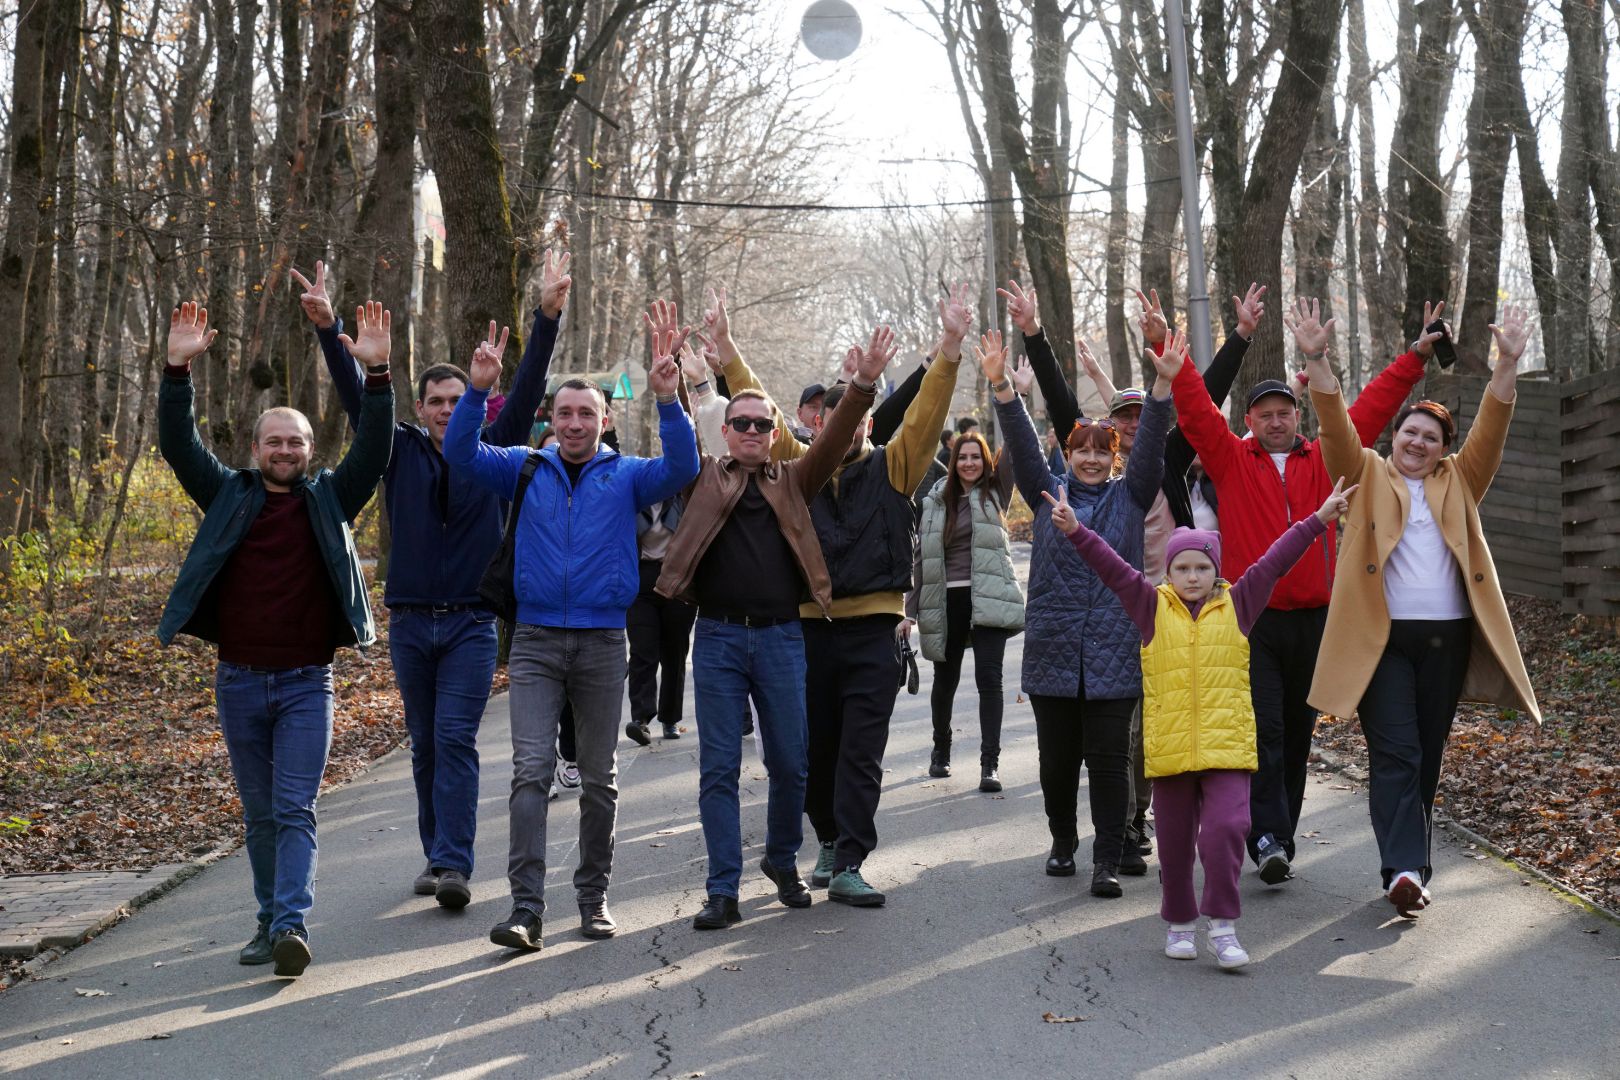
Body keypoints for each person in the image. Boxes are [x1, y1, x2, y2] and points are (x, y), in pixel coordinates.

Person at [297, 252, 567, 910]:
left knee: (453, 737)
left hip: (473, 621)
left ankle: (453, 863)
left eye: (457, 400)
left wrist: (548, 318)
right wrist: (330, 333)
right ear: (419, 407)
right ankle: (434, 851)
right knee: (422, 743)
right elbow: (362, 406)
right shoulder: (397, 449)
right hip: (413, 620)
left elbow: (529, 389)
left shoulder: (493, 443)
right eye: (438, 401)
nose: (448, 410)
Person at [443, 307, 699, 952]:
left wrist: (670, 399)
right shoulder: (525, 467)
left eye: (587, 414)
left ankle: (593, 899)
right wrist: (476, 391)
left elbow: (684, 467)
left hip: (603, 642)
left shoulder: (627, 475)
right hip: (533, 641)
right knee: (530, 772)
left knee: (598, 778)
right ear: (550, 422)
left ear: (604, 420)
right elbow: (460, 453)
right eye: (565, 414)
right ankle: (526, 909)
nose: (576, 423)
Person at [157, 301, 394, 977]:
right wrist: (177, 369)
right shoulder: (228, 494)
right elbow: (178, 445)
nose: (284, 451)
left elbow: (375, 452)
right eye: (273, 441)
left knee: (294, 808)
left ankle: (291, 923)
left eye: (296, 442)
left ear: (310, 452)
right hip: (237, 681)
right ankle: (268, 923)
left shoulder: (329, 500)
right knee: (259, 816)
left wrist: (377, 374)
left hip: (303, 685)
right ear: (255, 449)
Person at [713, 284, 967, 907]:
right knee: (810, 754)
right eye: (822, 419)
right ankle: (825, 839)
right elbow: (760, 412)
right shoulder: (796, 471)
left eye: (847, 417)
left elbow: (928, 415)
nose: (836, 428)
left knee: (861, 753)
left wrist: (950, 349)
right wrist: (726, 355)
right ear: (814, 426)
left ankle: (851, 858)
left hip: (873, 632)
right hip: (804, 634)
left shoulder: (896, 465)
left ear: (865, 421)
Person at [1003, 282, 1269, 866]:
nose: (1107, 443)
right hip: (1077, 629)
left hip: (1157, 612)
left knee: (1134, 742)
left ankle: (1123, 833)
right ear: (1075, 451)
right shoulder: (1056, 492)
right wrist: (1031, 337)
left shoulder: (1153, 466)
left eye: (1126, 427)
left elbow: (1194, 404)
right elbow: (1051, 403)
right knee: (1078, 752)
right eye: (1097, 437)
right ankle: (1086, 838)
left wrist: (1222, 348)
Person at [1170, 293, 1429, 885]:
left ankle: (1279, 836)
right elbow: (1194, 412)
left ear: (1298, 415)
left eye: (1285, 411)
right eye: (1265, 413)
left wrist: (1413, 357)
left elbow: (1372, 406)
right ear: (1250, 422)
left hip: (1317, 619)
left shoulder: (1327, 460)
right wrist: (1173, 354)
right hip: (1252, 619)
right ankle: (1265, 837)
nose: (1277, 420)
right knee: (1262, 728)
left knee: (1295, 731)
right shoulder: (1231, 461)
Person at [1046, 478, 1355, 967]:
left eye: (1202, 567)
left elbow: (1275, 560)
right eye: (1182, 568)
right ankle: (1180, 924)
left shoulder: (1240, 603)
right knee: (1172, 846)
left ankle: (1224, 926)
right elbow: (1113, 569)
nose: (1192, 576)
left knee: (1228, 828)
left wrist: (1318, 520)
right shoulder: (1149, 607)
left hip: (1227, 745)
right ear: (1169, 572)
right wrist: (1076, 530)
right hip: (1171, 751)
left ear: (1217, 570)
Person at [1301, 301, 1540, 916]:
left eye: (1430, 437)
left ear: (1442, 450)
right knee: (1398, 752)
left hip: (1448, 639)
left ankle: (1412, 867)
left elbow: (1492, 429)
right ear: (1395, 437)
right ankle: (1402, 869)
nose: (1418, 442)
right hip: (1381, 642)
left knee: (1426, 754)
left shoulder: (1461, 480)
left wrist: (1506, 366)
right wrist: (1316, 360)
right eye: (1410, 432)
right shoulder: (1365, 473)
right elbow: (1333, 425)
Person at [655, 320, 895, 929]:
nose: (755, 432)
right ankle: (721, 890)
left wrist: (863, 383)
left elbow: (837, 437)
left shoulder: (795, 479)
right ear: (727, 431)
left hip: (785, 637)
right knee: (719, 769)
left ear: (775, 432)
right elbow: (679, 444)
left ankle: (784, 861)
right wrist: (668, 395)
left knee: (791, 762)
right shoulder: (702, 477)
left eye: (765, 424)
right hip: (717, 639)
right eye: (743, 424)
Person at [988, 323, 1174, 898]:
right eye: (1081, 450)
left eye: (1102, 449)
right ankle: (1063, 842)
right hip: (1054, 648)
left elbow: (1151, 446)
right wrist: (1003, 391)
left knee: (1111, 760)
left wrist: (1162, 388)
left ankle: (1107, 858)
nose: (1091, 458)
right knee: (1058, 760)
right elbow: (1020, 446)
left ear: (1113, 457)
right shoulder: (1047, 493)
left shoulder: (1132, 494)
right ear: (1067, 454)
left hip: (1117, 648)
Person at [906, 429, 1023, 791]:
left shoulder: (996, 492)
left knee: (990, 681)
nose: (970, 463)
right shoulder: (935, 500)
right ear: (954, 461)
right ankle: (941, 748)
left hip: (988, 597)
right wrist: (909, 611)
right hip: (946, 600)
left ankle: (990, 764)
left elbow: (1019, 446)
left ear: (985, 461)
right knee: (945, 682)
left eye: (976, 456)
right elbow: (921, 558)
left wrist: (1010, 392)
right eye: (963, 457)